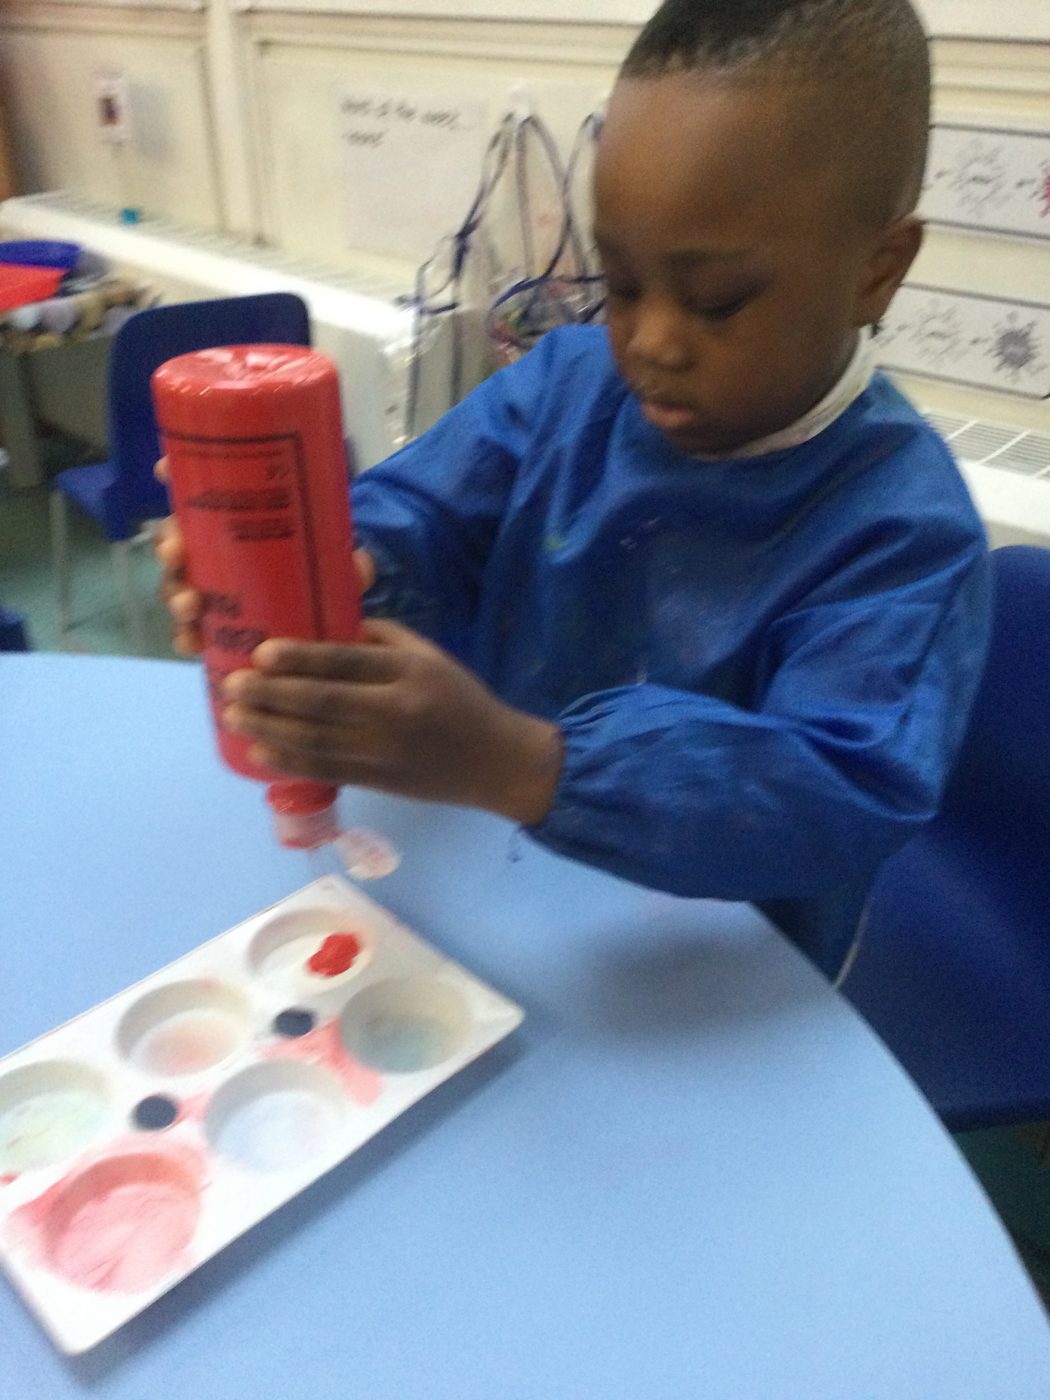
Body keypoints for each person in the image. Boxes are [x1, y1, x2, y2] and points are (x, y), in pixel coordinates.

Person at [158, 0, 990, 977]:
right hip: (513, 892)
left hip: (729, 971)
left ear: (878, 271)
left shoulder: (906, 533)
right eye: (622, 284)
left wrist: (521, 762)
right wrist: (315, 572)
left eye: (718, 300)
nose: (653, 342)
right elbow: (424, 517)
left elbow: (833, 791)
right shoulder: (565, 388)